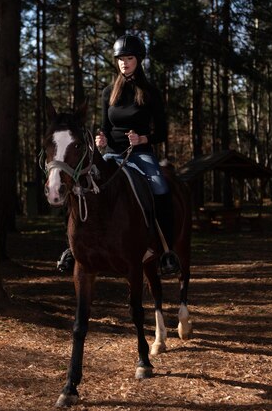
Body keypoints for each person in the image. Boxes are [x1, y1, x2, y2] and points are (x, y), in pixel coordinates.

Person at [57, 34, 180, 276]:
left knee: (160, 189)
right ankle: (71, 249)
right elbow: (106, 127)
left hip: (141, 154)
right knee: (78, 187)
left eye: (129, 58)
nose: (124, 63)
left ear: (139, 60)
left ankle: (167, 251)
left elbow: (162, 132)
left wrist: (143, 139)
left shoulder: (150, 92)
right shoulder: (108, 93)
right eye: (120, 59)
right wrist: (102, 140)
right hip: (112, 155)